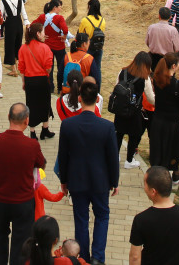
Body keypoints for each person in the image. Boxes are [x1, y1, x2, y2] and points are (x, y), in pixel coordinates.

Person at [57, 80, 119, 265]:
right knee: (102, 216)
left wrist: (64, 181)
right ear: (97, 98)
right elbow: (112, 157)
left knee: (81, 219)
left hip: (77, 180)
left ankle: (82, 257)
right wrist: (114, 181)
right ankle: (98, 257)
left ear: (80, 98)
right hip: (100, 181)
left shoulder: (68, 125)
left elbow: (63, 156)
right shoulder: (107, 126)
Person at [0, 102, 47, 265]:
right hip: (23, 201)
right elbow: (41, 163)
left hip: (0, 199)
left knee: (0, 235)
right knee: (21, 241)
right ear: (27, 120)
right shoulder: (32, 145)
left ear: (8, 117)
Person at [129, 165, 179, 265]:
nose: (144, 187)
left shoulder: (141, 219)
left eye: (145, 184)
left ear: (153, 191)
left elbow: (135, 256)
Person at [147, 53, 179, 186]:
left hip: (158, 120)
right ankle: (170, 176)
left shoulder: (157, 79)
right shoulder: (176, 84)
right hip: (172, 122)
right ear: (173, 66)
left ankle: (169, 174)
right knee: (173, 148)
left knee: (159, 148)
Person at [113, 52, 155, 169]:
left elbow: (117, 87)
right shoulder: (144, 78)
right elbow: (151, 98)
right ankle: (129, 160)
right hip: (134, 111)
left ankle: (115, 156)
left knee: (118, 133)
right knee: (134, 135)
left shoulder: (122, 72)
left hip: (121, 109)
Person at [18, 23, 55, 139]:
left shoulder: (23, 48)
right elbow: (48, 67)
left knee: (31, 104)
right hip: (42, 80)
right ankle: (45, 129)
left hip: (29, 80)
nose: (45, 34)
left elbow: (22, 68)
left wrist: (24, 82)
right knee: (45, 104)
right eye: (43, 32)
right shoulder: (45, 48)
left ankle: (32, 132)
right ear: (38, 34)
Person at [34, 0, 69, 95]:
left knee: (49, 67)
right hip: (59, 46)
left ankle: (50, 87)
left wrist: (40, 36)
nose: (61, 9)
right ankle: (60, 87)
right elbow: (65, 29)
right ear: (55, 7)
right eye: (60, 7)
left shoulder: (42, 17)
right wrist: (64, 36)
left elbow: (33, 25)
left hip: (47, 46)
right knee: (61, 68)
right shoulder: (59, 18)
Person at [0, 0, 26, 74]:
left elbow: (1, 16)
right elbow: (24, 13)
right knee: (18, 43)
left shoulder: (3, 1)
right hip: (19, 22)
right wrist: (27, 22)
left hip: (9, 23)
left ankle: (13, 68)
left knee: (10, 44)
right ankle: (16, 64)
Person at [77, 0, 106, 85]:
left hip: (87, 47)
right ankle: (97, 89)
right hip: (99, 47)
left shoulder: (85, 20)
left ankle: (86, 87)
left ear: (89, 7)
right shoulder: (102, 20)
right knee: (97, 69)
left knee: (86, 68)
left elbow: (80, 34)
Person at [145, 6, 179, 72]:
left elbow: (147, 42)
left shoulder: (151, 27)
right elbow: (177, 47)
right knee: (167, 77)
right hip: (168, 58)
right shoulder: (173, 30)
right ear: (170, 17)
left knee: (155, 74)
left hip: (154, 58)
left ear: (159, 16)